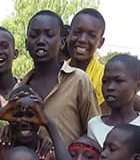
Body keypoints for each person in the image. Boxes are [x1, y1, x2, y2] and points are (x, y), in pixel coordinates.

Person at [17, 11, 100, 143]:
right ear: (27, 44)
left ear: (62, 42)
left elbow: (94, 133)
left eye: (49, 35)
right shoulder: (20, 87)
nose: (41, 41)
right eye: (34, 35)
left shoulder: (79, 80)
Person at [86, 55, 140, 145]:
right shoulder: (94, 125)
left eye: (119, 81)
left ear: (138, 86)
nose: (110, 87)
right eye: (105, 81)